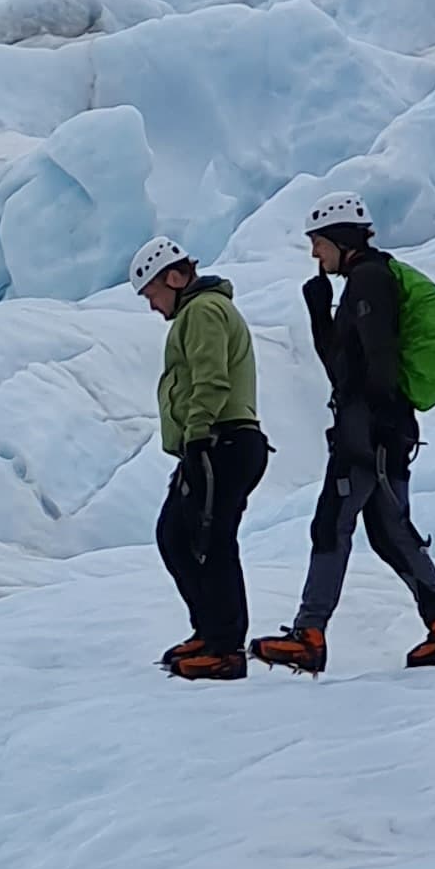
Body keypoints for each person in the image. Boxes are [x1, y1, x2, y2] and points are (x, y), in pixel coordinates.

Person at [251, 193, 435, 675]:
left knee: (333, 523)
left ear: (339, 239)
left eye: (318, 244)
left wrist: (369, 427)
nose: (315, 255)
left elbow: (372, 362)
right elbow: (343, 362)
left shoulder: (369, 280)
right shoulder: (365, 279)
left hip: (370, 428)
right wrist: (319, 311)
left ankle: (309, 635)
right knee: (391, 533)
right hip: (383, 426)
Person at [132, 235, 269, 679]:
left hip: (219, 441)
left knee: (206, 541)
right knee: (181, 535)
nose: (152, 307)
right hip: (219, 441)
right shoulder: (199, 311)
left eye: (152, 293)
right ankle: (211, 632)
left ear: (174, 277)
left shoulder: (203, 311)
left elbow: (211, 378)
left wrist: (195, 438)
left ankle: (225, 648)